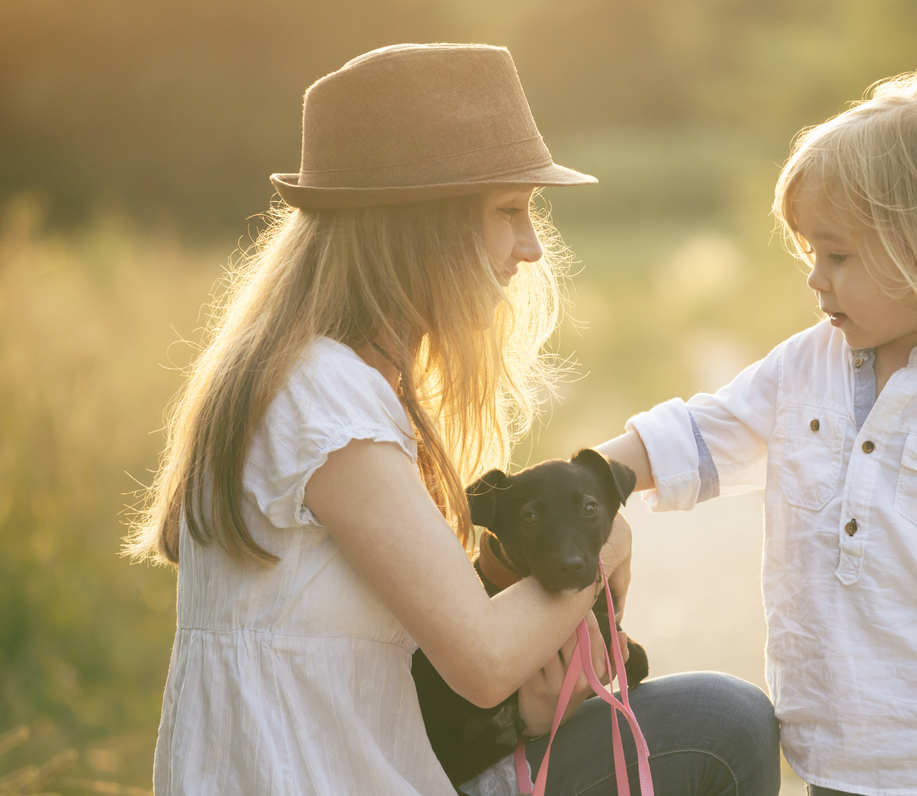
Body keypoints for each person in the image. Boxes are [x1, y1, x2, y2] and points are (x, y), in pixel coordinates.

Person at [128, 44, 779, 796]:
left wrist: (526, 713)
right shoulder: (324, 399)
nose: (531, 247)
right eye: (509, 211)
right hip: (323, 779)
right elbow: (483, 659)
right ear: (418, 226)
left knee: (716, 716)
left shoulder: (320, 379)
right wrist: (607, 537)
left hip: (374, 764)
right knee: (724, 730)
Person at [596, 72, 917, 796]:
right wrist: (597, 473)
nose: (815, 278)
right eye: (811, 252)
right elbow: (707, 432)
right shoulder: (809, 363)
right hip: (837, 760)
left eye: (837, 256)